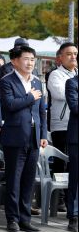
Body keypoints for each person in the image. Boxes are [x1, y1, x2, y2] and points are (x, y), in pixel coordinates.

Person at [0, 46, 47, 232]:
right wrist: (29, 97)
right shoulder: (6, 81)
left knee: (28, 180)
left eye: (32, 59)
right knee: (14, 180)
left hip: (34, 138)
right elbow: (9, 105)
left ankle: (25, 219)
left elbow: (41, 111)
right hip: (15, 137)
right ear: (15, 61)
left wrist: (43, 134)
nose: (30, 63)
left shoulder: (37, 81)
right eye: (26, 59)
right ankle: (12, 219)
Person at [47, 42, 77, 211]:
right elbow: (61, 94)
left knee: (74, 164)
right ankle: (58, 199)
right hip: (62, 125)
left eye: (75, 53)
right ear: (60, 57)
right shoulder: (55, 75)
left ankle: (71, 198)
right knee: (61, 163)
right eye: (69, 54)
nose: (73, 57)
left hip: (75, 126)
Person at [65, 75, 78, 232]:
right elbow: (75, 107)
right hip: (77, 138)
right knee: (75, 177)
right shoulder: (72, 82)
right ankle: (73, 216)